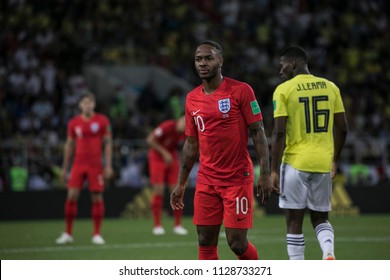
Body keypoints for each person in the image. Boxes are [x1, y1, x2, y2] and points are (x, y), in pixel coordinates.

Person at [170, 40, 272, 260]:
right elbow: (190, 144)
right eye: (198, 59)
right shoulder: (191, 99)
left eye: (208, 58)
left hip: (236, 178)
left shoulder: (241, 91)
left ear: (220, 61)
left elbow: (258, 132)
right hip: (207, 180)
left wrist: (264, 172)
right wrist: (180, 183)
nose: (202, 63)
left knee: (237, 243)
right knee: (205, 241)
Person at [270, 46, 348, 260]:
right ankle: (328, 251)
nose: (280, 71)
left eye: (282, 65)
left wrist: (273, 170)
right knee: (321, 218)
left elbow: (278, 133)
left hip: (295, 162)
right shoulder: (331, 87)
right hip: (322, 163)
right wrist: (334, 159)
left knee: (294, 222)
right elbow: (342, 128)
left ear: (293, 64)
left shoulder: (284, 90)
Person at [56, 92, 113, 245]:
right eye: (84, 103)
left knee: (97, 197)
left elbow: (108, 144)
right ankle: (68, 233)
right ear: (80, 105)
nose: (87, 105)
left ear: (94, 104)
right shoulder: (74, 123)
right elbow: (69, 145)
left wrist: (108, 165)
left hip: (95, 165)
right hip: (78, 164)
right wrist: (64, 168)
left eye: (90, 102)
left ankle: (96, 234)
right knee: (72, 196)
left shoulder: (102, 121)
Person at [146, 116, 188, 235]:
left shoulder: (185, 133)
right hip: (157, 158)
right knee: (158, 190)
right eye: (185, 122)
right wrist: (164, 153)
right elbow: (150, 139)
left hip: (172, 158)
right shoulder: (167, 126)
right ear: (179, 120)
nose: (186, 125)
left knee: (177, 190)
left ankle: (178, 225)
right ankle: (157, 225)